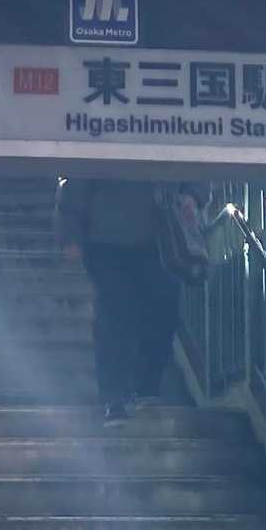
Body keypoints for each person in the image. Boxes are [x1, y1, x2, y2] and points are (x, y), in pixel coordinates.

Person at [55, 177, 181, 423]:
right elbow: (75, 177)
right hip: (106, 238)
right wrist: (70, 233)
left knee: (160, 312)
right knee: (115, 314)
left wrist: (193, 196)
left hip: (157, 234)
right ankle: (116, 394)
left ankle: (142, 387)